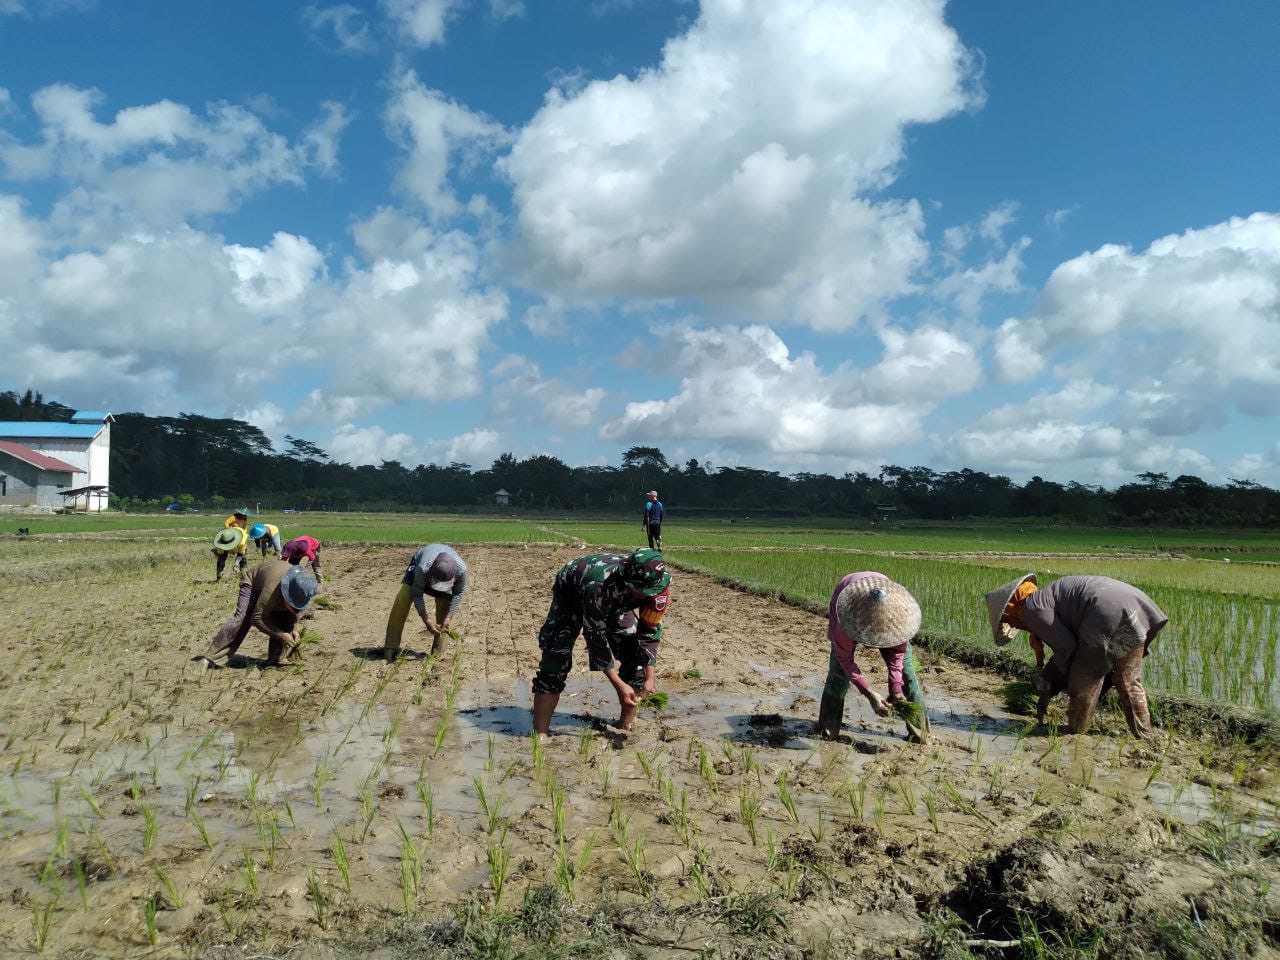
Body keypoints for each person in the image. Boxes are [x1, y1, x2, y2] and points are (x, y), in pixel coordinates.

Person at [985, 574, 1168, 738]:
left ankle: (1075, 732)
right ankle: (1144, 734)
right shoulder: (1047, 597)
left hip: (1104, 613)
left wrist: (1046, 681)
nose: (1015, 626)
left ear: (1011, 609)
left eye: (1008, 621)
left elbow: (1068, 649)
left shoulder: (1032, 609)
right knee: (1127, 678)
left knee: (1084, 677)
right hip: (1134, 605)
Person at [532, 548, 671, 734]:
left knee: (635, 657)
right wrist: (619, 685)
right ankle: (540, 734)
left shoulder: (658, 586)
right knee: (556, 657)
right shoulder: (600, 586)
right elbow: (596, 640)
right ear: (629, 583)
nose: (645, 595)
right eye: (640, 591)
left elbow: (650, 631)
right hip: (572, 591)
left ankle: (624, 727)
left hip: (617, 600)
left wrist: (650, 677)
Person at [817, 573, 929, 743]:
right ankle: (828, 730)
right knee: (838, 675)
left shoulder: (900, 618)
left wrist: (896, 688)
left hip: (889, 606)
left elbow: (897, 657)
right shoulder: (846, 616)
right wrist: (869, 693)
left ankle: (920, 735)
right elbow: (845, 660)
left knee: (908, 677)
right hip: (851, 600)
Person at [202, 559, 319, 667]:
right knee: (243, 619)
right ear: (286, 595)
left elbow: (293, 615)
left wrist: (292, 630)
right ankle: (210, 658)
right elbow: (257, 618)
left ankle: (274, 660)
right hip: (253, 583)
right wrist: (282, 635)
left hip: (272, 582)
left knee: (286, 620)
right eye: (293, 605)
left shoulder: (304, 589)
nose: (296, 610)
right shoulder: (271, 591)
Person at [384, 544, 468, 661]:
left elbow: (458, 595)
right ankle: (390, 647)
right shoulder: (423, 568)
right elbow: (417, 593)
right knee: (403, 597)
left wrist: (449, 617)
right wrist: (426, 620)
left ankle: (437, 652)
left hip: (443, 574)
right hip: (422, 561)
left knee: (445, 605)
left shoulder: (462, 571)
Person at [212, 508, 251, 579]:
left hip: (240, 535)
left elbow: (241, 554)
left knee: (243, 558)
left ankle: (244, 575)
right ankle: (219, 576)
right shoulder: (221, 543)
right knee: (221, 558)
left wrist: (235, 565)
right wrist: (228, 529)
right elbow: (226, 522)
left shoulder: (241, 542)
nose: (244, 515)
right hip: (229, 533)